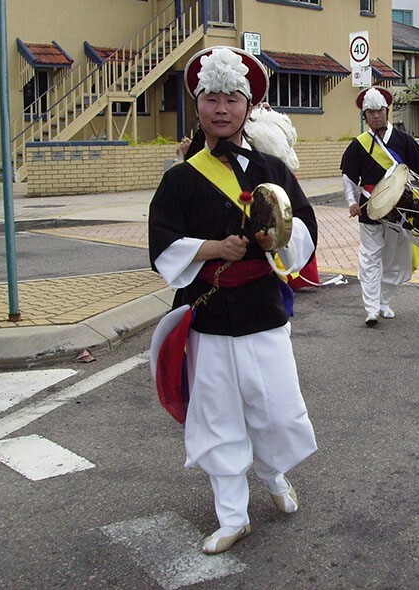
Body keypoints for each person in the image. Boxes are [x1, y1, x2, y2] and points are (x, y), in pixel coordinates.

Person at [148, 46, 318, 555]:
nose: (222, 109)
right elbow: (162, 245)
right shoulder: (179, 178)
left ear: (248, 107)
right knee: (218, 414)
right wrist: (212, 248)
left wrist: (278, 239)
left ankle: (273, 473)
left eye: (232, 99)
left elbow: (305, 228)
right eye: (212, 99)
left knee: (276, 408)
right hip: (209, 312)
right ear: (198, 107)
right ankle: (231, 514)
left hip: (263, 309)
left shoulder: (271, 167)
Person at [341, 86, 419, 325]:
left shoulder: (402, 140)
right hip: (370, 207)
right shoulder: (358, 144)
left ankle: (384, 300)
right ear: (364, 116)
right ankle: (371, 308)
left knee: (395, 257)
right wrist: (350, 202)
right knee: (370, 256)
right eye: (370, 112)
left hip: (402, 208)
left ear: (387, 112)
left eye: (379, 111)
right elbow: (348, 176)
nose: (376, 116)